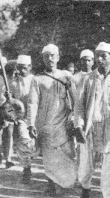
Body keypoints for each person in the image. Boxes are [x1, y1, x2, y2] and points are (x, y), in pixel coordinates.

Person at [27, 44, 77, 196]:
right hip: (45, 124)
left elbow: (75, 100)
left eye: (53, 55)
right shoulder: (37, 79)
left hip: (63, 122)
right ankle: (52, 186)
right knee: (49, 157)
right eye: (47, 56)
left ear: (58, 57)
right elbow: (32, 103)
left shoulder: (67, 76)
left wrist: (74, 119)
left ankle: (66, 185)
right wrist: (30, 123)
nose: (50, 58)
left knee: (67, 154)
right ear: (42, 59)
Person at [74, 42, 110, 198]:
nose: (100, 59)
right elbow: (79, 105)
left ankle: (107, 193)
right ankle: (85, 188)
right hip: (91, 125)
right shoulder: (88, 78)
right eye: (98, 56)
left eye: (104, 56)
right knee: (86, 162)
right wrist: (78, 126)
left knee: (108, 164)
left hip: (108, 126)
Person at [6, 55, 37, 183]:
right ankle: (27, 169)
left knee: (38, 144)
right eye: (18, 68)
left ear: (29, 67)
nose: (20, 71)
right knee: (24, 142)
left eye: (23, 68)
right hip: (22, 118)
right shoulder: (12, 83)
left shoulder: (36, 80)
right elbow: (7, 105)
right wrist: (12, 115)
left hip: (36, 117)